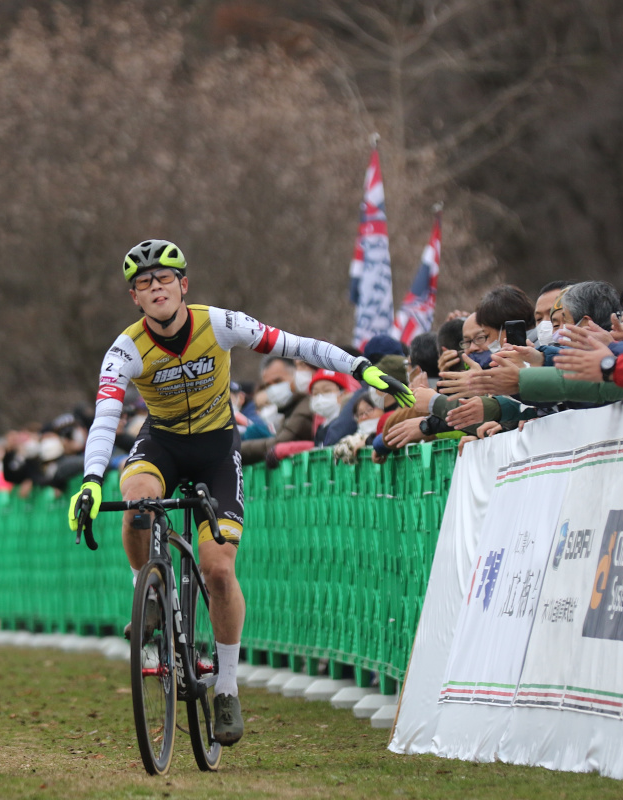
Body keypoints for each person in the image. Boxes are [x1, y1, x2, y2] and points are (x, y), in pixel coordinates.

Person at [66, 239, 414, 747]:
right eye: (144, 284)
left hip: (215, 447)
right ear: (135, 299)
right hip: (161, 443)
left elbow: (297, 346)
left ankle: (226, 688)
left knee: (219, 570)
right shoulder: (125, 349)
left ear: (184, 286)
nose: (155, 288)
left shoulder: (220, 323)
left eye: (164, 279)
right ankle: (150, 593)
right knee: (136, 500)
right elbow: (105, 418)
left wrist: (359, 367)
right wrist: (91, 481)